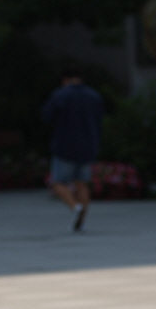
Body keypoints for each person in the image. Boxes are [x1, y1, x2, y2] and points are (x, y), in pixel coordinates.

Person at [41, 67, 105, 232]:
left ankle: (74, 206)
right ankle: (81, 220)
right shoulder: (93, 95)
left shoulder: (61, 95)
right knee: (82, 183)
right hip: (88, 145)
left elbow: (47, 116)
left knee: (58, 183)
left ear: (65, 80)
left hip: (65, 145)